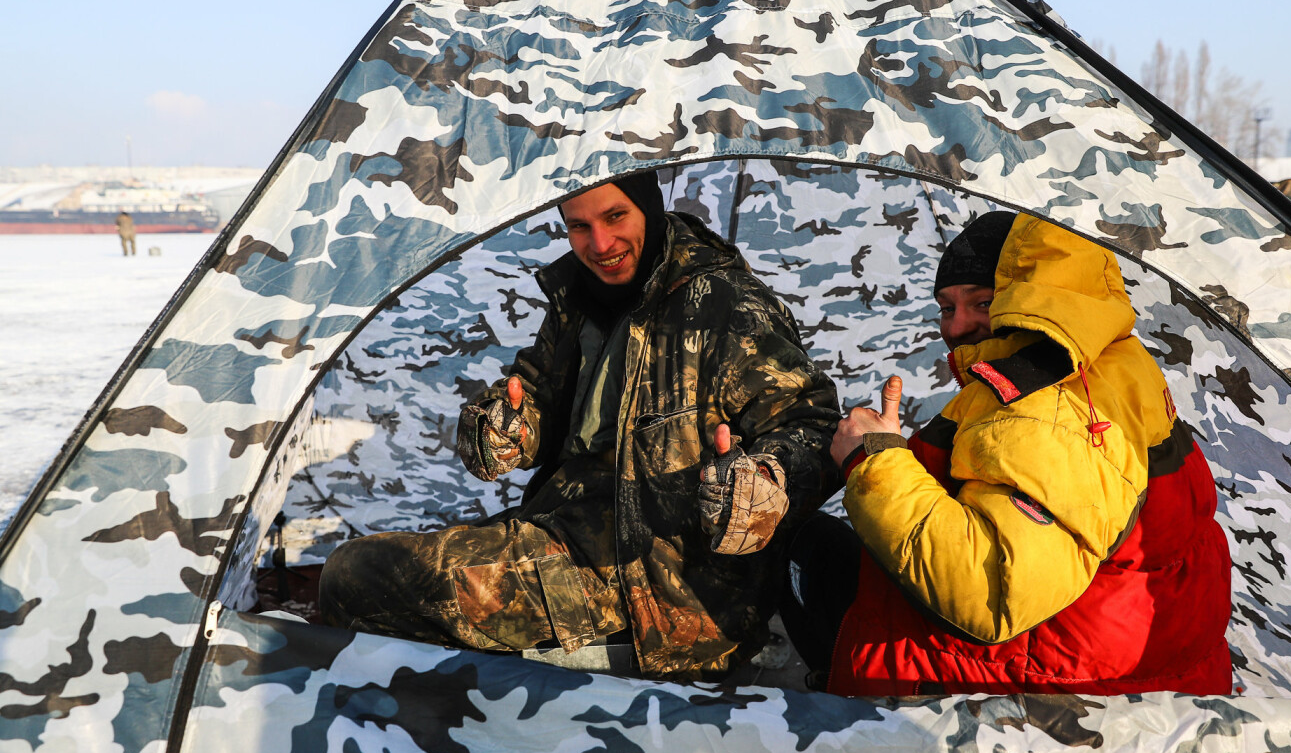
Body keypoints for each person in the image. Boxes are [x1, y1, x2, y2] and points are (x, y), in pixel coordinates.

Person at [321, 171, 840, 680]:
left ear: (649, 207)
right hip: (566, 531)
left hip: (657, 588)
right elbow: (540, 397)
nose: (600, 243)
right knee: (372, 571)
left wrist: (763, 482)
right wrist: (504, 427)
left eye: (616, 216)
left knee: (356, 576)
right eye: (578, 226)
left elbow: (811, 426)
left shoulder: (724, 305)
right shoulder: (581, 297)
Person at [782, 210, 1232, 696]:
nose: (957, 327)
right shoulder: (1110, 360)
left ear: (1033, 299)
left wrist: (874, 459)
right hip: (1126, 658)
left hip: (1036, 700)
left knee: (805, 546)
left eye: (982, 302)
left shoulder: (1049, 406)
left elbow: (991, 593)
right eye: (946, 307)